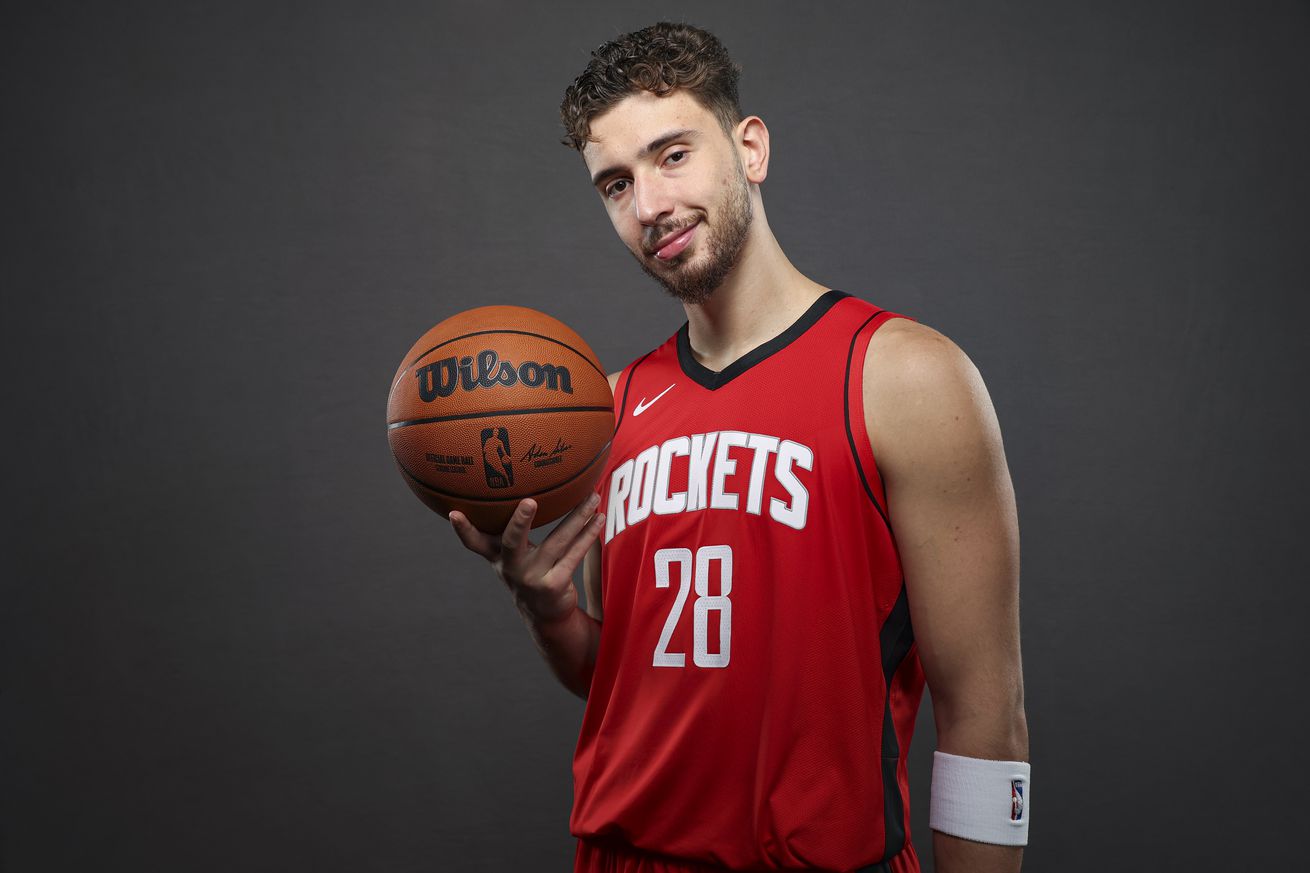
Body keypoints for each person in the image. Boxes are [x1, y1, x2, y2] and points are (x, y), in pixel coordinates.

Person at [449, 22, 1029, 873]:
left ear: (749, 147)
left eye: (672, 155)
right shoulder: (611, 407)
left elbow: (986, 714)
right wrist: (552, 614)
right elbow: (638, 684)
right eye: (616, 184)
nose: (648, 206)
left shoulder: (902, 377)